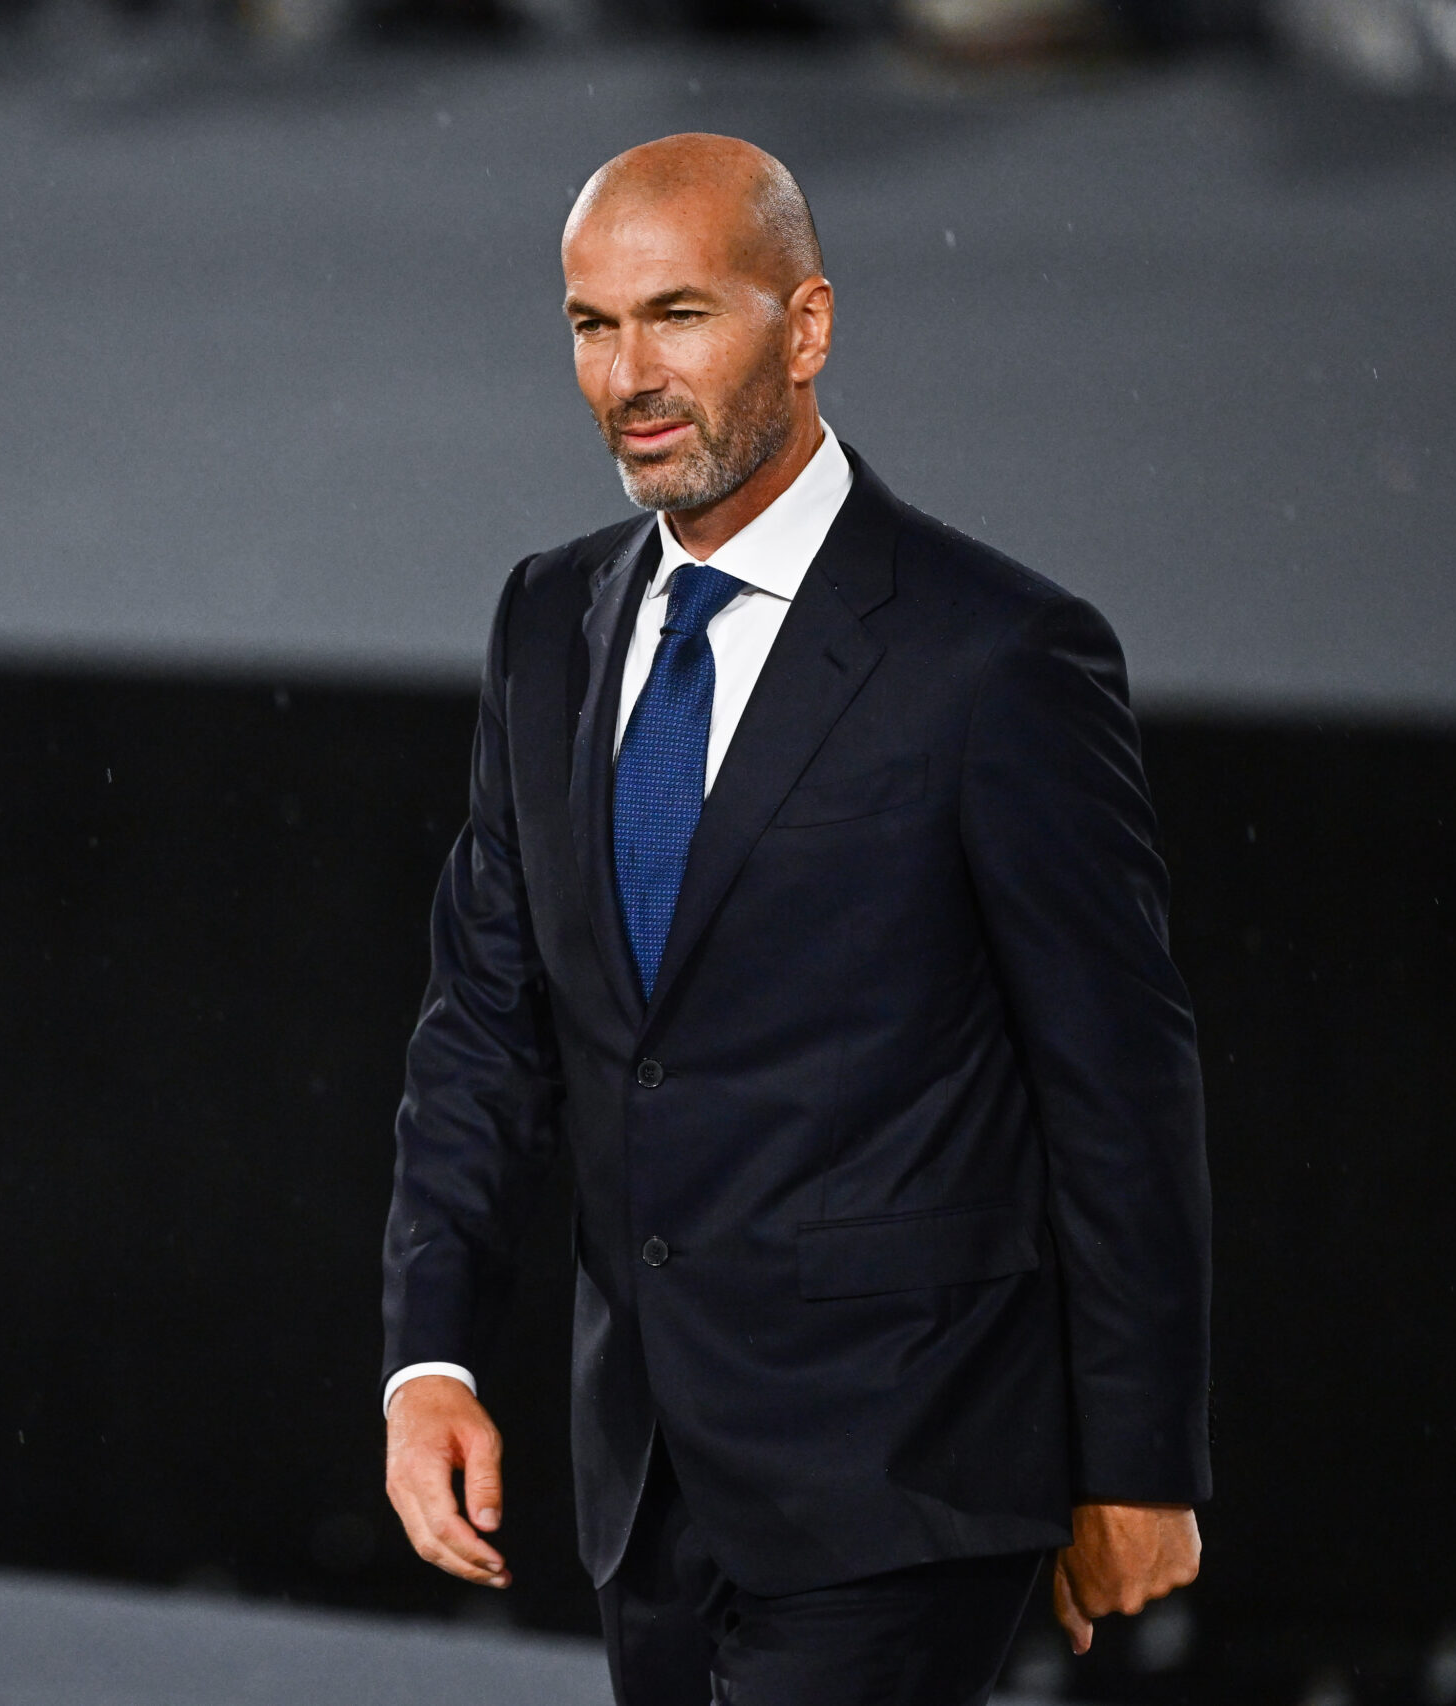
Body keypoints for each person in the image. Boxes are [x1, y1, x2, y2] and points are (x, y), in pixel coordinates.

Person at [377, 132, 1210, 1706]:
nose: (629, 372)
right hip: (648, 1485)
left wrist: (1140, 1455)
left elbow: (1118, 1082)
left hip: (902, 1471)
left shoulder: (997, 655)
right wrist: (431, 1354)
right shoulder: (548, 621)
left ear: (806, 326)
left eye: (678, 314)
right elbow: (486, 1024)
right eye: (590, 325)